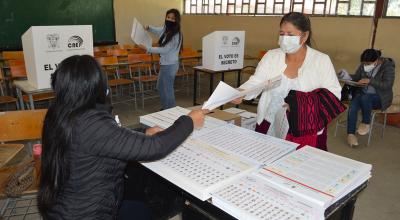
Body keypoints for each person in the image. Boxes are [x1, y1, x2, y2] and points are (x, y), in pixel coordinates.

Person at [38, 55, 206, 219]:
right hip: (88, 212)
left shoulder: (58, 113)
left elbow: (100, 142)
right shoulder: (90, 121)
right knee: (149, 208)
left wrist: (142, 134)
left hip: (62, 207)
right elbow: (156, 147)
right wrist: (189, 121)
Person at [232, 12, 344, 151]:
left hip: (306, 130)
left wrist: (299, 106)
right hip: (270, 121)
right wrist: (242, 92)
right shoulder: (272, 56)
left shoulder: (321, 60)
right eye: (282, 34)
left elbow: (334, 95)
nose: (285, 39)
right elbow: (257, 81)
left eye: (290, 35)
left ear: (305, 36)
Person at [346, 49, 395, 147]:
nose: (365, 65)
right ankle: (351, 134)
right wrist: (347, 76)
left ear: (376, 60)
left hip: (380, 98)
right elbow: (357, 77)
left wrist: (370, 81)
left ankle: (365, 122)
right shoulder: (364, 64)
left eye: (368, 63)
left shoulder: (387, 66)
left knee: (365, 97)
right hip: (363, 94)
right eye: (364, 63)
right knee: (353, 106)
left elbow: (387, 85)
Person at [139, 8, 183, 110]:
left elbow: (165, 50)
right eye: (168, 17)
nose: (170, 20)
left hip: (170, 65)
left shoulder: (176, 34)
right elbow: (158, 30)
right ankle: (165, 107)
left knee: (167, 89)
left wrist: (148, 48)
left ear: (177, 20)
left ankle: (171, 110)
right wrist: (148, 28)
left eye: (173, 18)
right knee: (160, 87)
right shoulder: (167, 30)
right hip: (165, 64)